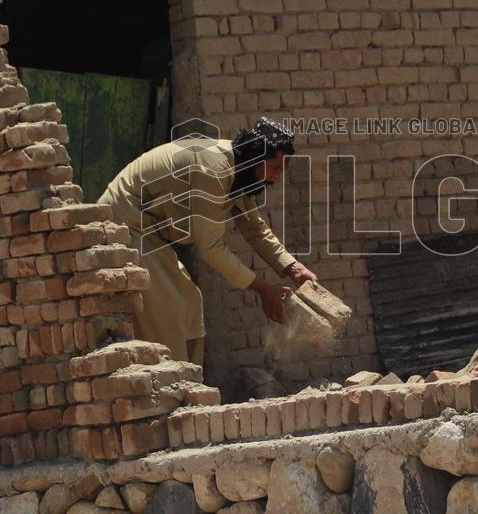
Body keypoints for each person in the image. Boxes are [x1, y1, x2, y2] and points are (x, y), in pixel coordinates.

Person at [97, 117, 318, 365]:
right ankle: (170, 390)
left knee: (190, 305)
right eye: (275, 169)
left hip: (150, 235)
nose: (277, 179)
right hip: (124, 225)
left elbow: (254, 229)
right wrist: (264, 289)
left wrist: (294, 268)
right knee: (168, 310)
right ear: (256, 157)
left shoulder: (241, 172)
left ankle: (190, 385)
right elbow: (210, 247)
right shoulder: (214, 169)